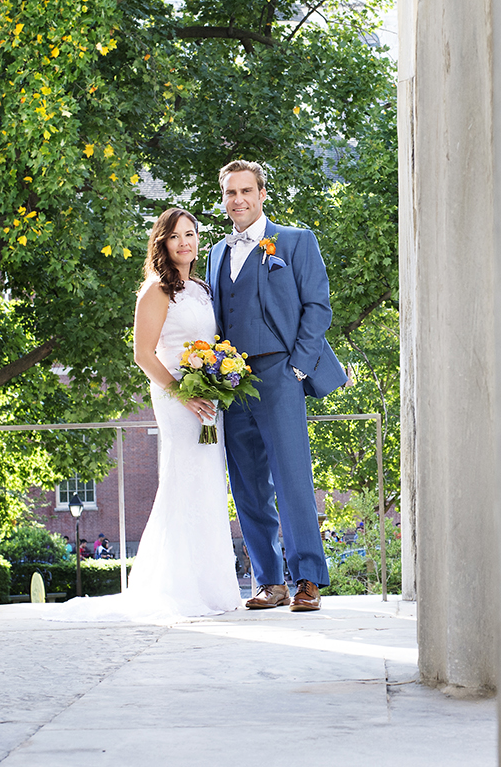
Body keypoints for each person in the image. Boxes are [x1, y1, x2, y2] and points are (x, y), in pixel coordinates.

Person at [44, 207, 241, 622]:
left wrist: (218, 378)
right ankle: (178, 587)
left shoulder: (202, 289)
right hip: (178, 400)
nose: (185, 242)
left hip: (209, 399)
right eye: (176, 236)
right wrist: (183, 394)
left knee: (207, 485)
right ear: (162, 243)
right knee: (182, 481)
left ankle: (213, 589)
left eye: (191, 234)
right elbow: (142, 353)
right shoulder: (156, 291)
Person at [207, 160, 347, 612]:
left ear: (262, 193)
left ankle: (307, 579)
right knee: (247, 486)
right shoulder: (215, 253)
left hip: (280, 374)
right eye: (230, 193)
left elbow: (318, 308)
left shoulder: (296, 241)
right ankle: (269, 581)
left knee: (292, 480)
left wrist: (298, 369)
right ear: (223, 198)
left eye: (246, 191)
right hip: (232, 382)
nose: (238, 200)